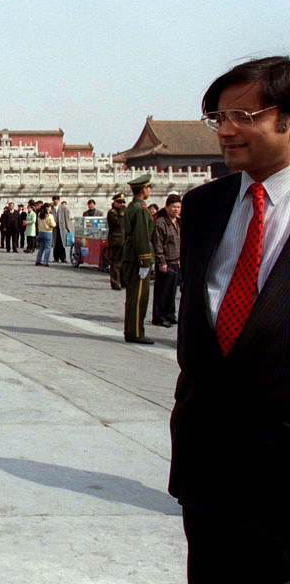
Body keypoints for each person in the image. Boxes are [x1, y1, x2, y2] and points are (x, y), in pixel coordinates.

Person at [169, 56, 290, 583]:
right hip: (207, 472)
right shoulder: (204, 206)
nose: (226, 130)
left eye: (245, 115)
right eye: (218, 117)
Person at [121, 173, 155, 344]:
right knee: (138, 297)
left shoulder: (131, 207)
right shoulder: (141, 210)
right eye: (149, 187)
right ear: (143, 189)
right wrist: (144, 261)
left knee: (133, 295)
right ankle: (135, 332)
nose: (150, 190)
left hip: (129, 256)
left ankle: (132, 329)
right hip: (137, 258)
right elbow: (141, 236)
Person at [151, 194, 182, 327]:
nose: (176, 209)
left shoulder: (177, 221)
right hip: (166, 261)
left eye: (178, 207)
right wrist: (161, 261)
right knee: (162, 290)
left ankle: (170, 313)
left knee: (172, 290)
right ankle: (159, 316)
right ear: (167, 207)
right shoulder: (161, 223)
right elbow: (157, 244)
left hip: (175, 260)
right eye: (174, 207)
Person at [106, 193, 127, 290]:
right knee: (116, 263)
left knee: (124, 262)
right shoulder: (112, 212)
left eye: (123, 202)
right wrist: (122, 214)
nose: (122, 204)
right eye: (119, 202)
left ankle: (124, 281)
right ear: (114, 202)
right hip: (116, 240)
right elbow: (117, 223)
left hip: (124, 240)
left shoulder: (124, 212)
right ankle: (115, 283)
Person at [51, 196, 72, 263]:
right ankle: (56, 258)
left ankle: (63, 258)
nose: (55, 201)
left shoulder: (63, 208)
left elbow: (66, 218)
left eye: (56, 200)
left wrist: (67, 227)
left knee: (62, 243)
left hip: (61, 228)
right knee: (55, 243)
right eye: (54, 200)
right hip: (54, 228)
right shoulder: (50, 208)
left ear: (59, 200)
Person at [35, 201, 56, 266]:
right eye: (50, 207)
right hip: (48, 232)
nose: (50, 209)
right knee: (47, 248)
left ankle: (38, 260)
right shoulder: (50, 216)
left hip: (41, 232)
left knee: (41, 247)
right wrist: (54, 224)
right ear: (47, 208)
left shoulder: (39, 214)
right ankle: (45, 262)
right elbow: (53, 224)